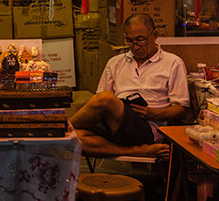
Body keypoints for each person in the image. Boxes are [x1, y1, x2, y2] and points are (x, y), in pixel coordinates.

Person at [70, 13, 190, 158]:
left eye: (140, 40)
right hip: (115, 122)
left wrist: (153, 113)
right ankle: (137, 151)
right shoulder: (115, 62)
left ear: (155, 34)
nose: (135, 47)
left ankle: (59, 128)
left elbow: (182, 108)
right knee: (74, 137)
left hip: (146, 126)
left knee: (106, 99)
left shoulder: (173, 62)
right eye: (130, 41)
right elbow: (98, 102)